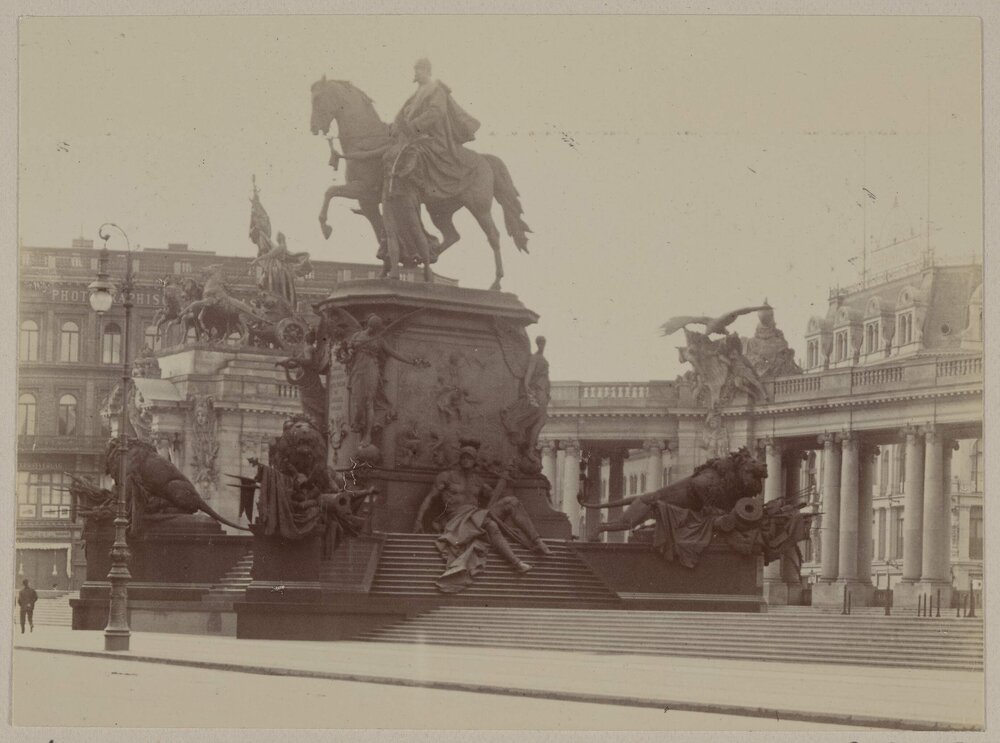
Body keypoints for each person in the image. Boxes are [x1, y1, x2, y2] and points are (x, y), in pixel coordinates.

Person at [413, 442, 552, 593]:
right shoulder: (446, 477)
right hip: (457, 520)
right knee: (490, 525)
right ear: (460, 458)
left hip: (476, 515)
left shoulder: (478, 480)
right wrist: (418, 520)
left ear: (474, 461)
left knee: (512, 502)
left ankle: (537, 540)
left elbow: (494, 497)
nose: (467, 460)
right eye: (464, 457)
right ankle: (516, 562)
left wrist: (505, 480)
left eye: (470, 457)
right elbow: (429, 499)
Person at [392, 58, 481, 202]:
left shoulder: (436, 89)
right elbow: (403, 114)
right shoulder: (416, 93)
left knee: (413, 153)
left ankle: (418, 188)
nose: (416, 73)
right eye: (415, 70)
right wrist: (394, 127)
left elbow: (436, 111)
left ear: (427, 71)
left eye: (419, 70)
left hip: (433, 136)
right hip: (414, 135)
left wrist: (414, 126)